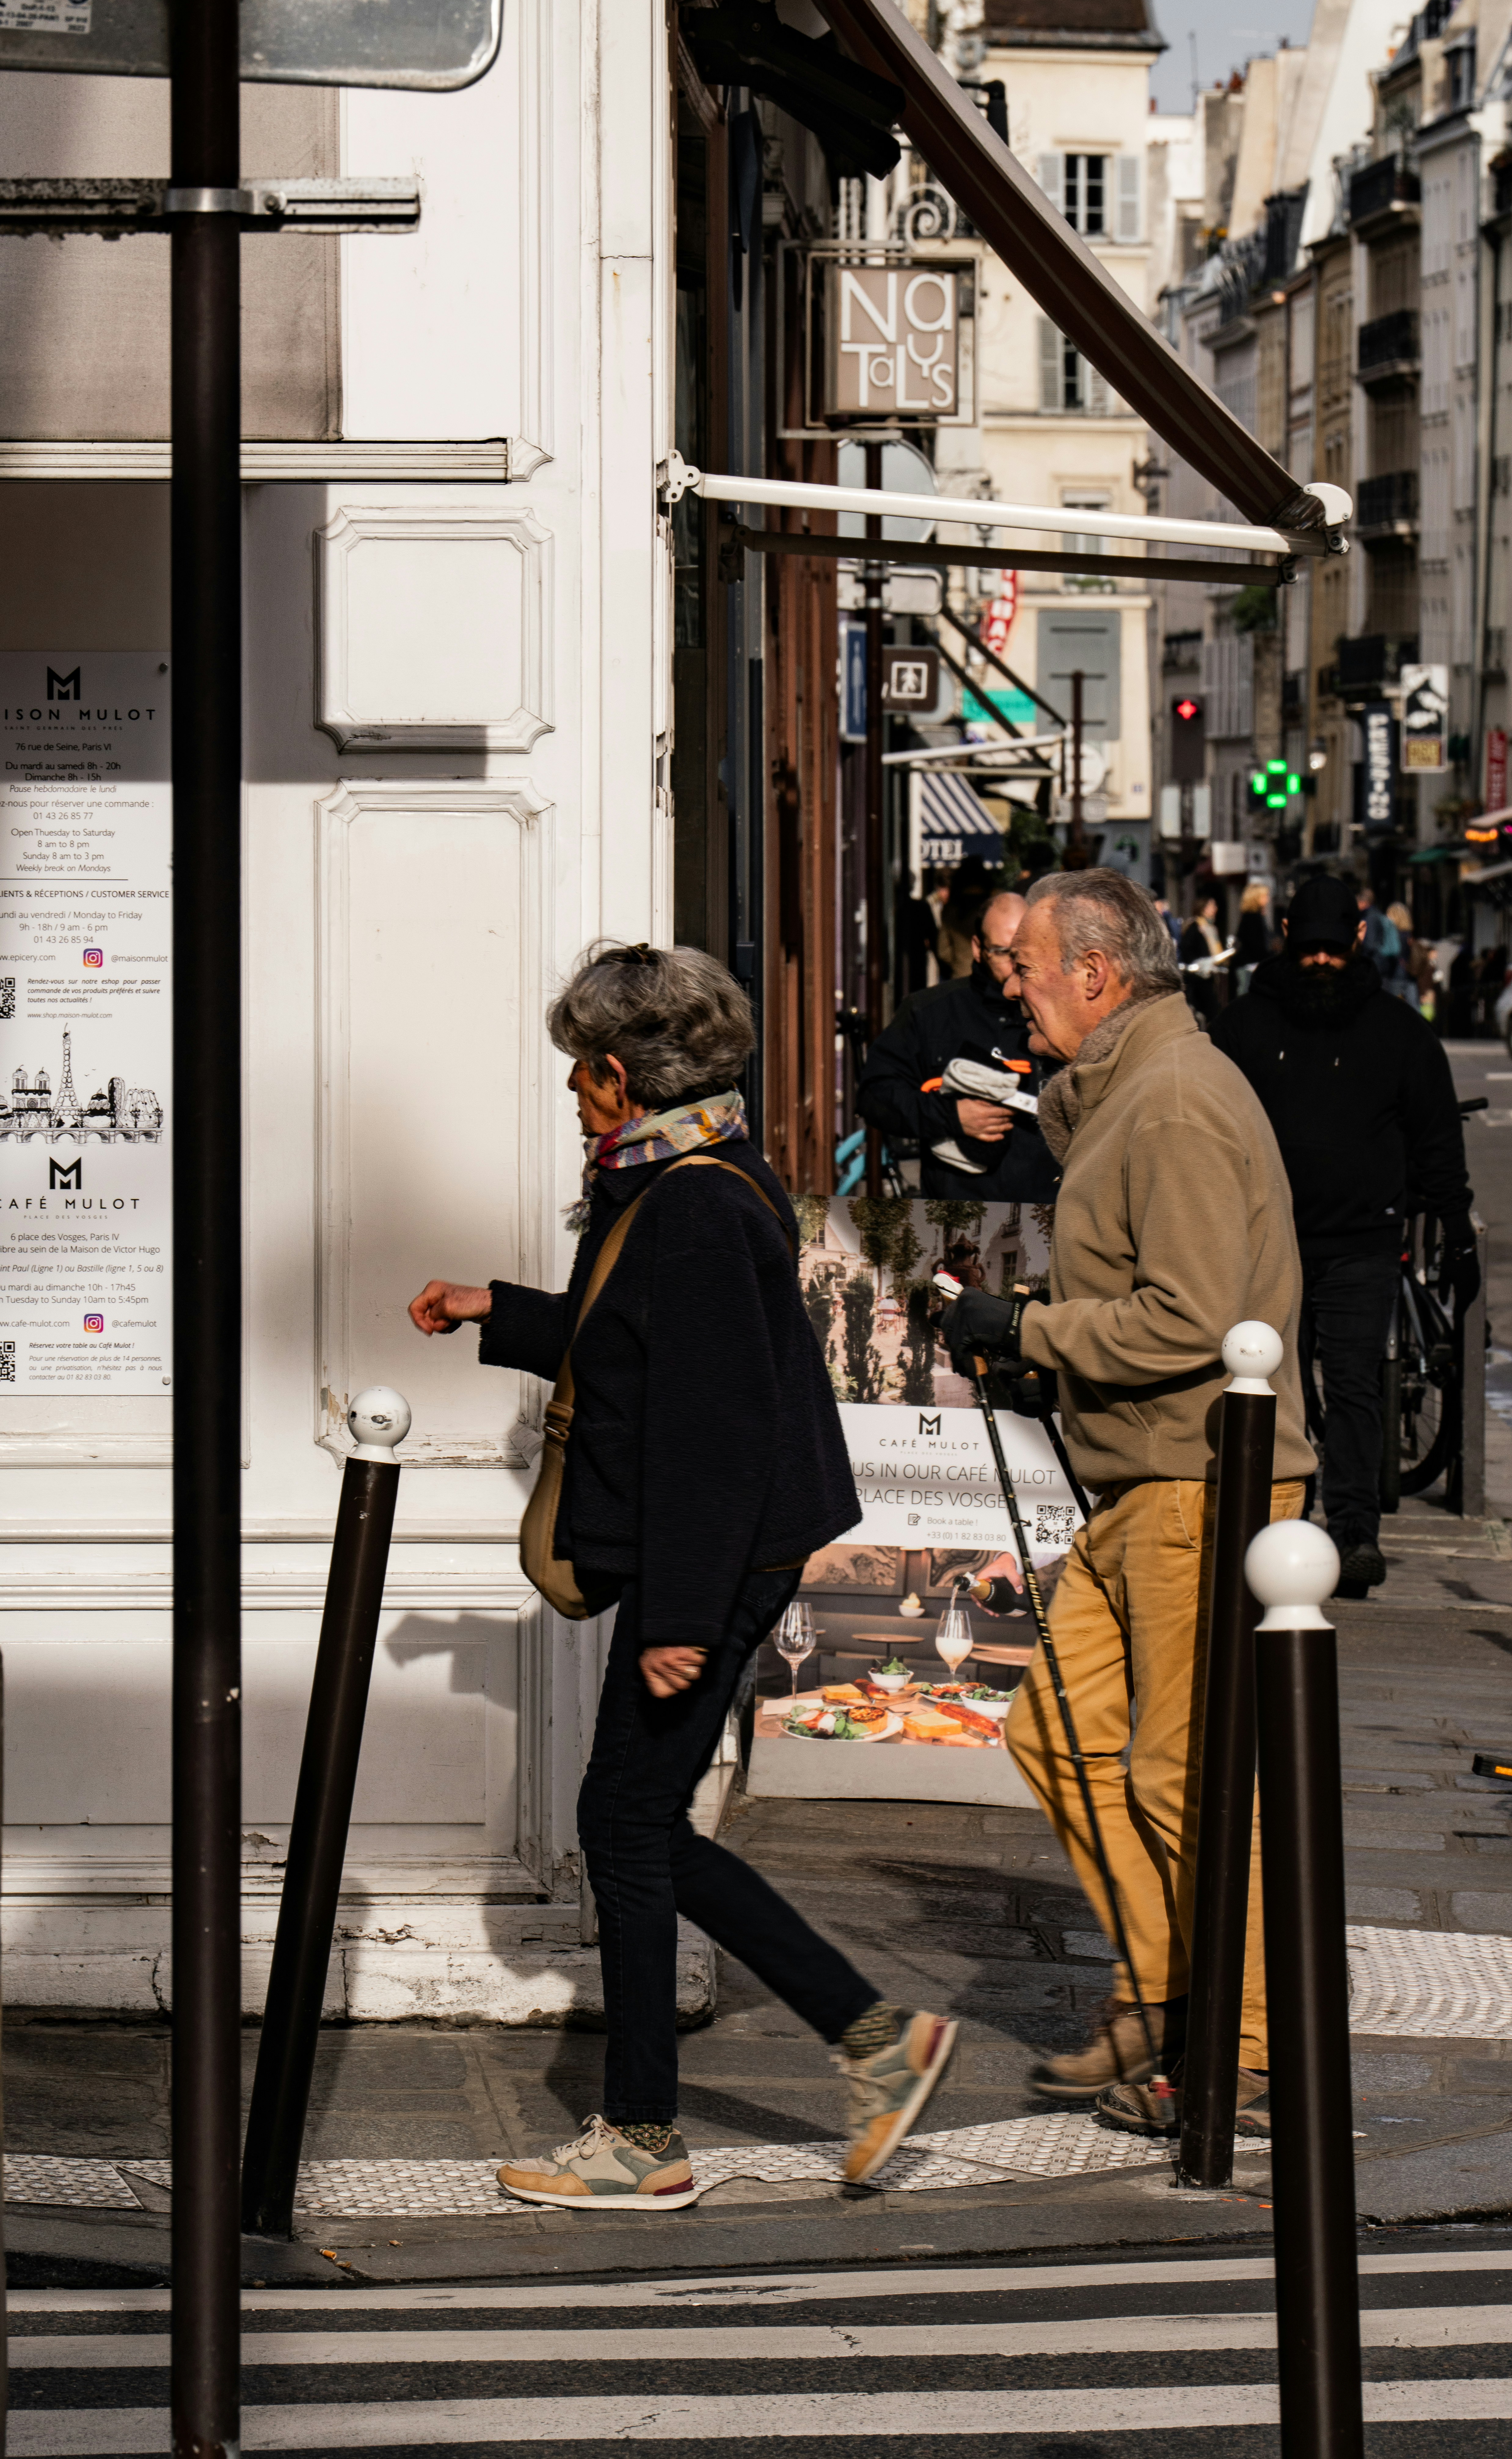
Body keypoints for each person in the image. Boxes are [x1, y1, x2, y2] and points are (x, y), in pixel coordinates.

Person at [408, 942, 956, 2208]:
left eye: (577, 1072)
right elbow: (630, 1339)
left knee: (623, 1820)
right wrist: (495, 1308)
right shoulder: (689, 1168)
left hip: (711, 1555)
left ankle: (652, 2134)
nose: (569, 1093)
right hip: (713, 1550)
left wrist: (683, 1619)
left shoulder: (693, 1203)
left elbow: (712, 1431)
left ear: (617, 1075)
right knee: (640, 1819)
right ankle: (870, 2040)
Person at [940, 871, 1313, 2137]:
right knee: (1056, 1734)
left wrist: (1029, 1329)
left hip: (1199, 1478)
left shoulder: (1172, 1101)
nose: (1013, 987)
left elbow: (1193, 1317)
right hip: (1143, 1478)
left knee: (1183, 1774)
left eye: (1029, 968)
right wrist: (1034, 1346)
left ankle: (1243, 2051)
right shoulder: (1129, 1091)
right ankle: (1162, 1989)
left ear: (1096, 974)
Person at [1210, 873, 1477, 1599]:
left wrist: (1457, 1231)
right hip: (1268, 1243)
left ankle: (1355, 1532)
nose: (1322, 959)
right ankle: (1274, 1523)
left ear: (1358, 938)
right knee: (1271, 1386)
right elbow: (1207, 1129)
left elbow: (1436, 1138)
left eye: (1333, 947)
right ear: (1286, 937)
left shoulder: (1399, 1031)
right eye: (1310, 947)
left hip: (1363, 1241)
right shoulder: (1242, 1026)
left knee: (1356, 1387)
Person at [856, 888, 1062, 1199]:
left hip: (1047, 1212)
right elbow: (876, 1097)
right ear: (978, 948)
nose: (1016, 965)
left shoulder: (1061, 1013)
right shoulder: (929, 1012)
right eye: (1004, 952)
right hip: (957, 1213)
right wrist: (951, 1116)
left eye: (1024, 952)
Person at [1179, 894, 1226, 1025]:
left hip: (1210, 975)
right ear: (1203, 908)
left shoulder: (1211, 928)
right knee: (1210, 1011)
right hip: (1200, 977)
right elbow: (1187, 949)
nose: (1215, 909)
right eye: (1212, 906)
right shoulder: (1195, 926)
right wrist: (1199, 964)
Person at [1234, 879, 1274, 994]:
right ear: (1256, 898)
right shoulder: (1253, 918)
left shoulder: (1251, 917)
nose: (1268, 899)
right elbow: (1256, 945)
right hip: (1250, 967)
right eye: (1265, 896)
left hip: (1250, 965)